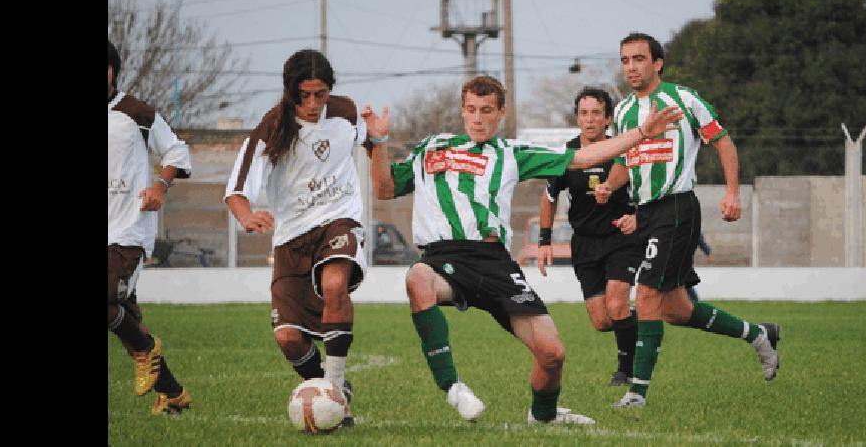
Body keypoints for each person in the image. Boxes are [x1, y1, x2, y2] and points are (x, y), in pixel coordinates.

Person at [363, 75, 682, 425]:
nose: (478, 118)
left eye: (487, 110)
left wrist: (640, 134)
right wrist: (378, 141)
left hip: (495, 263)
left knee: (552, 354)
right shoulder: (432, 148)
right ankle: (453, 387)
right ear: (462, 111)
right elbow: (384, 188)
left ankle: (543, 416)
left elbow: (581, 157)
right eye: (471, 110)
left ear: (501, 112)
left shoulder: (513, 153)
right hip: (444, 257)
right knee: (417, 278)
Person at [595, 32, 781, 408]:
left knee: (645, 294)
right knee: (676, 310)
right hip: (645, 213)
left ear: (657, 63)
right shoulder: (624, 112)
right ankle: (759, 335)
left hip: (676, 208)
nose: (631, 66)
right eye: (625, 60)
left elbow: (723, 142)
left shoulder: (684, 99)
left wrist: (732, 193)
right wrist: (608, 188)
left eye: (639, 59)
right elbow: (623, 162)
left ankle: (637, 393)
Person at [224, 49, 373, 426]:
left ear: (329, 90)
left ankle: (335, 389)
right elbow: (236, 189)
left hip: (339, 221)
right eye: (303, 95)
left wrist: (381, 139)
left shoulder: (347, 112)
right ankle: (328, 391)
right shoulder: (271, 128)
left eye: (319, 94)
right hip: (292, 236)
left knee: (335, 284)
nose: (312, 104)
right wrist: (247, 216)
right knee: (289, 338)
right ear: (290, 91)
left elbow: (372, 139)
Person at [108, 39, 193, 415]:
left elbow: (177, 151)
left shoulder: (136, 113)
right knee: (127, 325)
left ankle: (146, 351)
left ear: (113, 71)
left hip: (128, 232)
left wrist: (160, 184)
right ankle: (174, 395)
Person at [535, 87, 641, 387]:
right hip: (585, 242)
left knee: (617, 304)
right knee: (602, 320)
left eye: (596, 113)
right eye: (584, 113)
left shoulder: (621, 149)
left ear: (608, 119)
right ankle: (638, 323)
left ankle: (626, 372)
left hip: (620, 236)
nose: (589, 119)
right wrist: (544, 240)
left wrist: (638, 216)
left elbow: (647, 188)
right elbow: (549, 197)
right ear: (577, 118)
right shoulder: (566, 155)